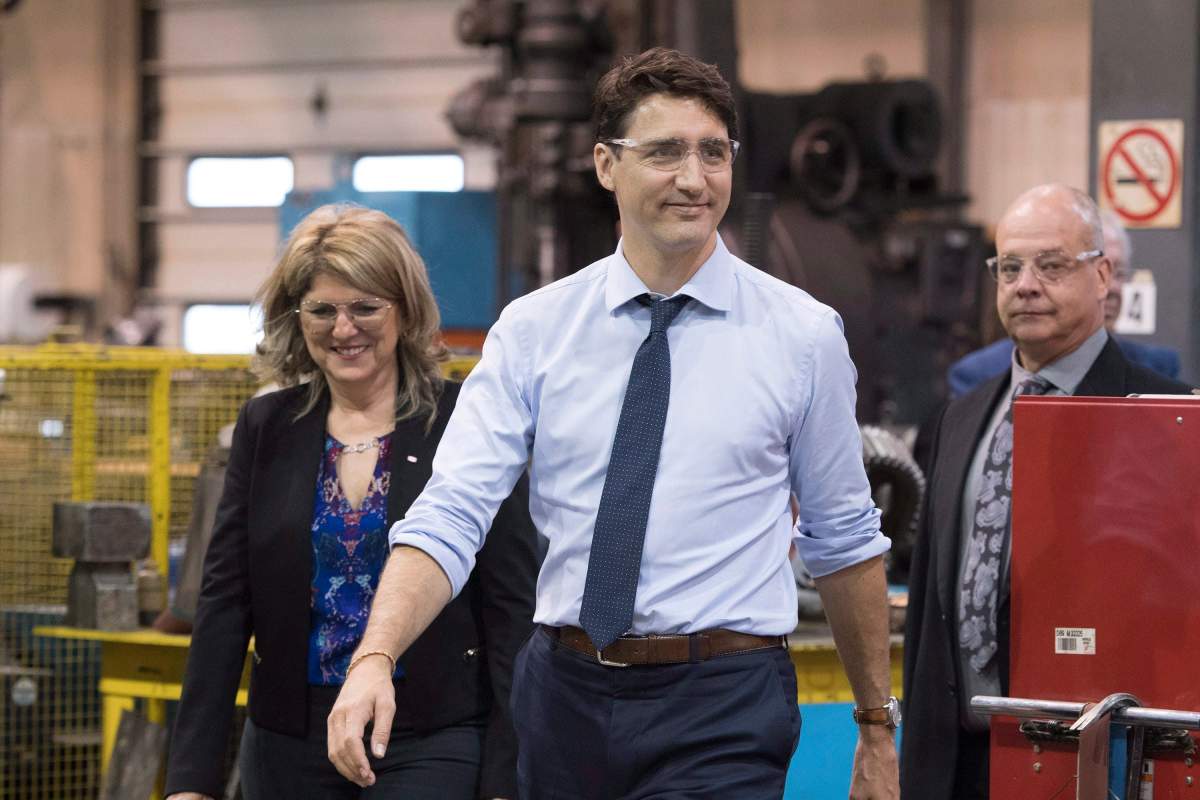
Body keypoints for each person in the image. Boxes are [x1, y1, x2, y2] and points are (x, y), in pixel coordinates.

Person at [328, 47, 900, 800]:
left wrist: (875, 726)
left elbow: (844, 537)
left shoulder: (802, 336)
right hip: (563, 696)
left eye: (713, 153)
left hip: (724, 701)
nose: (693, 179)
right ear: (606, 165)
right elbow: (452, 512)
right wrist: (375, 655)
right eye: (664, 153)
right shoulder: (534, 331)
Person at [164, 205, 538, 800]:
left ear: (404, 310)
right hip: (288, 743)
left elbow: (512, 608)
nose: (343, 329)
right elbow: (225, 604)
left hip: (431, 737)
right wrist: (191, 780)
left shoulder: (464, 421)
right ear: (296, 317)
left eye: (365, 307)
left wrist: (505, 777)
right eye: (322, 310)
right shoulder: (266, 426)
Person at [901, 184, 1193, 799]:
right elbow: (930, 614)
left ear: (1103, 275)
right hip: (957, 766)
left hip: (1098, 765)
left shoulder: (1164, 419)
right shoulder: (960, 418)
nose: (1026, 285)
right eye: (1010, 267)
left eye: (1051, 265)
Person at [946, 209, 1181, 397]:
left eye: (1118, 272)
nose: (1108, 288)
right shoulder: (979, 377)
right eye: (1010, 268)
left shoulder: (1158, 371)